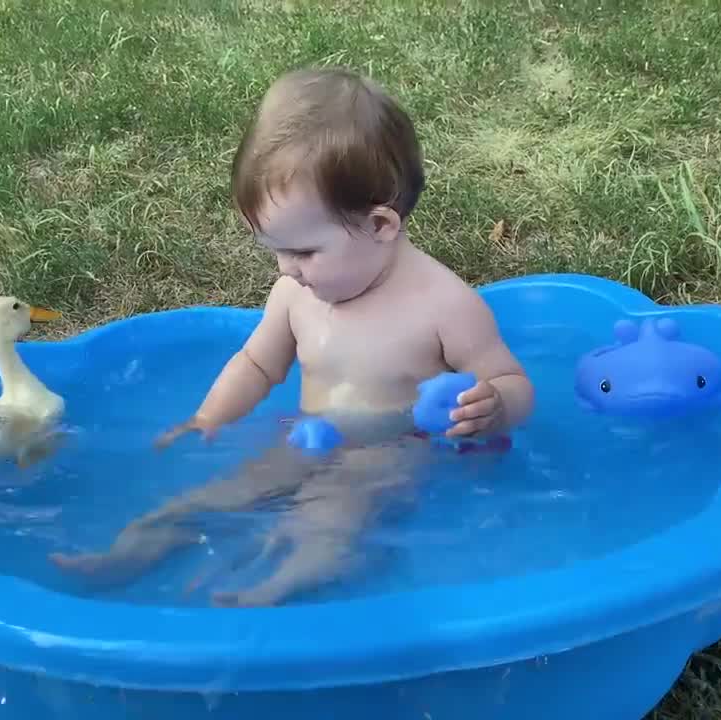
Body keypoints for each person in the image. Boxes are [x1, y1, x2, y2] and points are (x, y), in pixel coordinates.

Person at [51, 66, 535, 606]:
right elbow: (257, 364)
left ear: (381, 226)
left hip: (394, 451)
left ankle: (287, 581)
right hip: (308, 432)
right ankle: (146, 540)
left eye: (304, 252)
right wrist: (211, 416)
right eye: (276, 251)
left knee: (334, 507)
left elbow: (510, 379)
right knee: (229, 490)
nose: (287, 269)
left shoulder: (444, 306)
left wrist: (494, 405)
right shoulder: (295, 294)